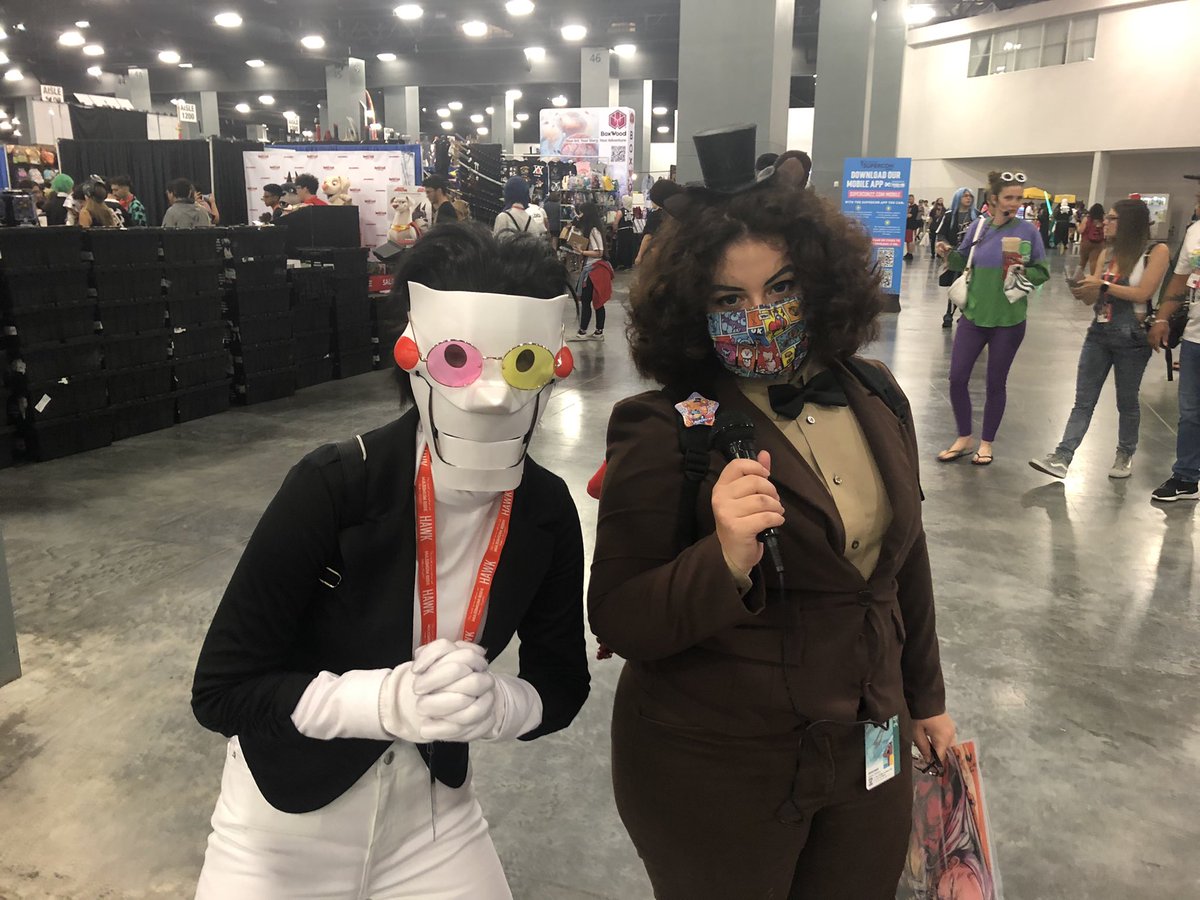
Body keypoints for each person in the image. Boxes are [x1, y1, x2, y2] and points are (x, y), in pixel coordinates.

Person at [588, 123, 954, 900]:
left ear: (818, 284)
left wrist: (927, 700)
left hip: (873, 743)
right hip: (719, 769)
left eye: (781, 288)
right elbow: (620, 616)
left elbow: (903, 565)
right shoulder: (664, 427)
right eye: (730, 298)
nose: (759, 314)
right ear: (695, 308)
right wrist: (721, 558)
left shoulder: (877, 392)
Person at [191, 223, 590, 898]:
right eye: (458, 360)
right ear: (413, 354)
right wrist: (381, 701)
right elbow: (222, 692)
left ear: (555, 365)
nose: (494, 395)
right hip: (282, 821)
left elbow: (563, 685)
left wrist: (501, 706)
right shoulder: (335, 486)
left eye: (523, 363)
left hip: (434, 818)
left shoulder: (544, 510)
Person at [1030, 199, 1168, 481]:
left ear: (1129, 223)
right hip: (1099, 332)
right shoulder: (1107, 253)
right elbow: (1094, 296)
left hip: (1133, 337)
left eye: (1112, 218)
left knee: (1127, 400)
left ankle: (1125, 453)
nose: (1104, 222)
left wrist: (1103, 285)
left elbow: (1143, 293)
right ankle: (1062, 456)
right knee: (1083, 400)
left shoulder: (1156, 252)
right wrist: (1083, 290)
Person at [935, 170, 1049, 466]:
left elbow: (1042, 271)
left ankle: (986, 443)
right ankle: (964, 437)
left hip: (1009, 319)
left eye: (1018, 198)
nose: (1015, 203)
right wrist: (946, 252)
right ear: (994, 199)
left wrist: (1021, 272)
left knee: (996, 383)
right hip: (974, 314)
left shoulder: (1028, 231)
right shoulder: (978, 228)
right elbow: (962, 260)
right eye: (1009, 197)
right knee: (957, 377)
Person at [1146, 211, 1200, 501]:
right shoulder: (1195, 232)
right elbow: (1180, 281)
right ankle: (1186, 477)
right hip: (1195, 337)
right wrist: (1162, 318)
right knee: (1190, 412)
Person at [937, 187, 980, 328]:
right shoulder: (949, 215)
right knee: (954, 284)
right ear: (958, 198)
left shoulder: (978, 216)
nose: (968, 198)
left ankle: (965, 314)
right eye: (965, 196)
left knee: (970, 285)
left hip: (972, 256)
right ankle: (949, 313)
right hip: (955, 255)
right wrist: (945, 246)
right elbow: (941, 234)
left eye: (970, 196)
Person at [566, 203, 610, 341]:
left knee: (589, 300)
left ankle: (584, 331)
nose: (579, 215)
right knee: (595, 301)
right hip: (592, 268)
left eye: (581, 212)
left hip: (594, 269)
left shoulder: (593, 230)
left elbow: (599, 252)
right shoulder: (593, 229)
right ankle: (597, 331)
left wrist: (582, 252)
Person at [634, 178, 683, 267]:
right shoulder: (683, 213)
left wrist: (639, 256)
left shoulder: (656, 216)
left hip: (662, 258)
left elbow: (648, 237)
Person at [1078, 204, 1106, 275]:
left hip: (1086, 242)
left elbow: (1081, 230)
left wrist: (1077, 225)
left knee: (1082, 262)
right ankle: (1093, 277)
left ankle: (1077, 277)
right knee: (1094, 261)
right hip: (1099, 243)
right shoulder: (1103, 221)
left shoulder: (1087, 219)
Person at [905, 194, 920, 261]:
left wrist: (903, 215)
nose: (909, 200)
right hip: (906, 225)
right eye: (908, 199)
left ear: (913, 199)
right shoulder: (907, 206)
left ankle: (910, 253)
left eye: (910, 199)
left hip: (911, 225)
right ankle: (908, 252)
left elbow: (910, 215)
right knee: (907, 240)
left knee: (910, 240)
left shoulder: (915, 207)